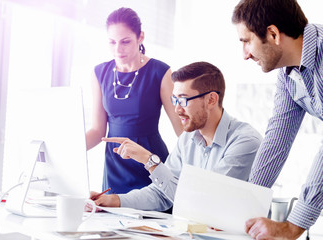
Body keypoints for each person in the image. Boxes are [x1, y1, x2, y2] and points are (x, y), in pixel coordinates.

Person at [90, 61, 262, 212]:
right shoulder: (187, 139)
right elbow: (162, 194)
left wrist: (150, 161)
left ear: (211, 100)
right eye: (175, 100)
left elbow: (207, 203)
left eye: (184, 100)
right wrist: (112, 200)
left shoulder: (245, 141)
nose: (177, 110)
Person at [232, 0, 323, 239]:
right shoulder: (288, 74)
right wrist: (243, 212)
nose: (245, 55)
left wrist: (292, 227)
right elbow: (277, 141)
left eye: (246, 41)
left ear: (273, 34)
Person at [85, 7, 183, 194]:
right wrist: (67, 150)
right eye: (112, 42)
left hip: (149, 162)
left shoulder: (160, 72)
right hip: (115, 164)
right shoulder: (99, 73)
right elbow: (98, 131)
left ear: (141, 37)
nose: (118, 50)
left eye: (125, 42)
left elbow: (181, 129)